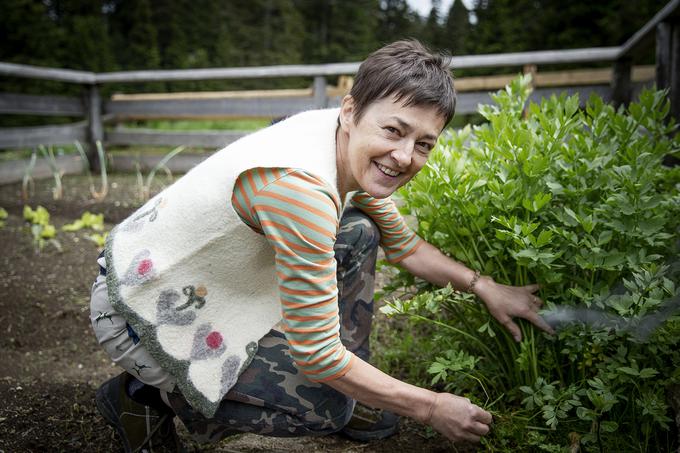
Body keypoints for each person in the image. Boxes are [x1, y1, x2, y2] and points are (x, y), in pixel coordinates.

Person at [90, 39, 554, 452]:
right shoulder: (301, 191)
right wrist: (431, 407)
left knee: (358, 230)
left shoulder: (343, 144)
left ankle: (350, 391)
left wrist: (485, 285)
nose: (405, 157)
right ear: (351, 111)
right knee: (322, 409)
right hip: (139, 304)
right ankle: (143, 399)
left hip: (206, 281)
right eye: (394, 131)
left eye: (424, 144)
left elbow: (406, 247)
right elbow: (317, 356)